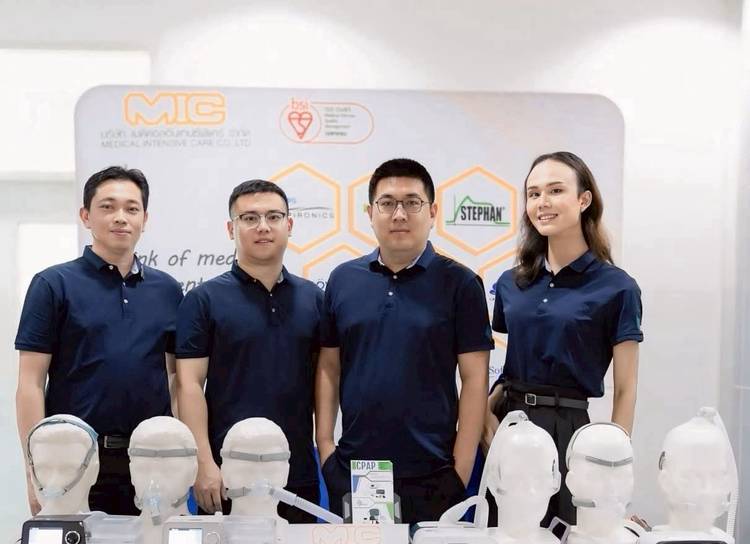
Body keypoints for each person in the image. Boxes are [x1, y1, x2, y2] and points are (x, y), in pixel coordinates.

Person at [316, 157, 493, 524]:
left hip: (434, 474)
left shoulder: (461, 284)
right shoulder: (343, 280)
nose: (399, 214)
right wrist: (326, 449)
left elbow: (475, 378)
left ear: (432, 212)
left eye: (412, 202)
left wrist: (460, 471)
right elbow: (329, 367)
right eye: (387, 203)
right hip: (355, 471)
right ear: (370, 213)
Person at [485, 151, 643, 525]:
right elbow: (508, 366)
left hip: (570, 430)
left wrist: (610, 460)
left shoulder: (617, 288)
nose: (543, 202)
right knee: (505, 540)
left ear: (584, 200)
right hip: (510, 426)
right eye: (534, 193)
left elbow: (626, 389)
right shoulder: (511, 283)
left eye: (555, 190)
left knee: (569, 542)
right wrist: (484, 417)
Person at [15, 165, 182, 516]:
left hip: (152, 461)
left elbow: (175, 378)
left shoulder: (167, 290)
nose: (121, 217)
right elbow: (30, 383)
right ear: (86, 216)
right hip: (73, 461)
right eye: (108, 207)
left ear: (144, 219)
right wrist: (35, 469)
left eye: (132, 208)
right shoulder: (53, 284)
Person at [175, 179, 323, 523]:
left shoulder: (314, 299)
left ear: (289, 225)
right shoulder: (203, 300)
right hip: (226, 474)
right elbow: (189, 384)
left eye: (274, 216)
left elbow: (325, 381)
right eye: (250, 218)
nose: (263, 226)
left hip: (296, 472)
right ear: (231, 229)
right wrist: (203, 462)